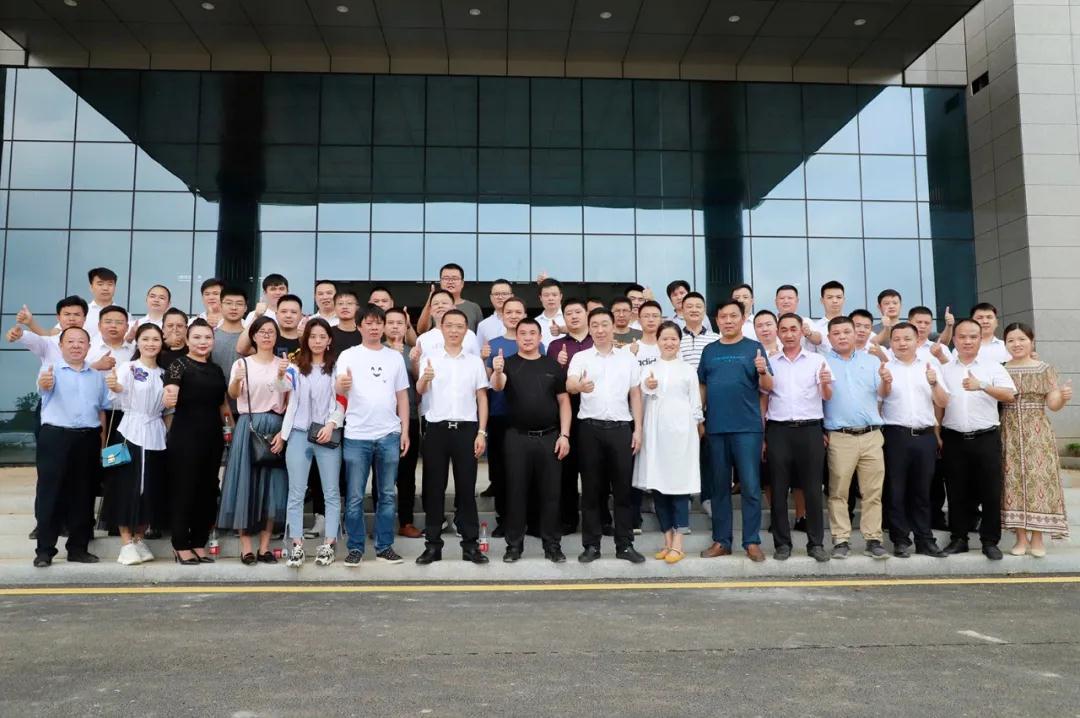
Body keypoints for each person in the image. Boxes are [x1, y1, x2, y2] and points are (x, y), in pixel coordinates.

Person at [567, 308, 645, 563]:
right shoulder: (581, 357)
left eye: (604, 325)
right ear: (589, 328)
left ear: (613, 327)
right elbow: (569, 384)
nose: (600, 330)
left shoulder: (628, 359)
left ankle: (625, 545)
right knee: (591, 490)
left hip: (621, 429)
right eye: (595, 325)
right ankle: (591, 545)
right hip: (589, 429)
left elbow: (635, 394)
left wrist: (638, 429)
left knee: (623, 490)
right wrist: (579, 386)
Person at [491, 317, 571, 563]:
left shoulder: (552, 365)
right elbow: (497, 387)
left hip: (549, 437)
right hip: (517, 437)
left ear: (540, 337)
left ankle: (552, 545)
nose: (527, 337)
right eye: (522, 333)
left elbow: (564, 401)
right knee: (516, 492)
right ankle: (514, 546)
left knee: (551, 493)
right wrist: (497, 371)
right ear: (516, 338)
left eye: (532, 333)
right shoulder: (508, 364)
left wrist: (565, 435)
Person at [335, 305, 410, 566]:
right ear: (359, 326)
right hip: (357, 434)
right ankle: (355, 547)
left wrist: (404, 430)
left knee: (387, 494)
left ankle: (384, 546)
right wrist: (341, 385)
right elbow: (338, 389)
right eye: (368, 323)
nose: (375, 327)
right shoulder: (348, 355)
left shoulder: (394, 358)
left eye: (379, 322)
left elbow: (402, 396)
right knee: (355, 495)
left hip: (389, 433)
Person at [414, 310, 490, 565]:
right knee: (434, 489)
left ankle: (470, 545)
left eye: (459, 326)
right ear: (442, 328)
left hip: (467, 430)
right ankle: (432, 545)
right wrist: (424, 379)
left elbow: (482, 397)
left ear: (466, 330)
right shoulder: (430, 358)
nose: (454, 330)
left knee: (467, 489)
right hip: (437, 429)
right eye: (450, 326)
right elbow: (420, 390)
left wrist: (481, 432)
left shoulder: (474, 362)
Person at [698, 300, 772, 562]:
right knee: (719, 488)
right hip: (716, 428)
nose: (728, 321)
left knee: (750, 486)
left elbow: (768, 386)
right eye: (723, 316)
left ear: (742, 319)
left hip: (747, 429)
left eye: (733, 316)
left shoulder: (754, 348)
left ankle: (751, 542)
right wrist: (699, 419)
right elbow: (703, 386)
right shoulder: (709, 350)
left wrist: (762, 371)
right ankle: (722, 541)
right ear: (717, 320)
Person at [32, 327, 111, 567]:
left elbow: (102, 410)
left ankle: (78, 548)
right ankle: (44, 550)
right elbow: (43, 387)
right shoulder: (50, 371)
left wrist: (102, 444)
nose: (76, 345)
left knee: (84, 494)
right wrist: (44, 383)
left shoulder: (97, 377)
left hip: (88, 438)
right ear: (61, 345)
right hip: (56, 437)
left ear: (88, 346)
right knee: (51, 493)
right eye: (71, 341)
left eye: (81, 342)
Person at [938, 318, 1017, 560]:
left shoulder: (993, 367)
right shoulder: (945, 369)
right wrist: (937, 433)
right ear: (954, 339)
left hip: (986, 437)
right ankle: (959, 538)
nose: (967, 341)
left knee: (990, 491)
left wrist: (981, 385)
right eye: (962, 336)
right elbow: (939, 404)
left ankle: (990, 541)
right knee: (956, 491)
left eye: (973, 336)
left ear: (980, 339)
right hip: (953, 438)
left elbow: (1009, 395)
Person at [218, 316, 291, 564]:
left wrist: (282, 374)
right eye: (262, 332)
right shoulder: (242, 364)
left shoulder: (284, 364)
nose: (267, 336)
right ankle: (246, 546)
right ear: (254, 336)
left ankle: (265, 547)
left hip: (276, 427)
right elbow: (233, 394)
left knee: (273, 487)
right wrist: (237, 379)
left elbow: (287, 398)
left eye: (271, 331)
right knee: (244, 484)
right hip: (249, 426)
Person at [632, 322, 703, 564]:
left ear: (679, 342)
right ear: (658, 341)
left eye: (674, 339)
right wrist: (648, 386)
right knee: (658, 487)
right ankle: (667, 540)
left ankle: (679, 544)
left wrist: (694, 430)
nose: (669, 343)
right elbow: (639, 399)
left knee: (679, 487)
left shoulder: (688, 370)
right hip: (655, 434)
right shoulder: (648, 369)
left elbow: (696, 404)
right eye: (665, 338)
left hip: (682, 434)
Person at [1000, 323, 1072, 556]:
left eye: (1021, 339)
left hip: (1037, 432)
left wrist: (1063, 397)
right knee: (1012, 482)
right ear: (1005, 344)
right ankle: (1020, 538)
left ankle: (1038, 538)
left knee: (1038, 479)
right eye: (1011, 340)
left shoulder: (1044, 369)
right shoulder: (1000, 369)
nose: (1017, 344)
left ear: (1032, 341)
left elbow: (1052, 404)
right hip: (1008, 431)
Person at [879, 322, 950, 558]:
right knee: (895, 490)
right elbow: (878, 402)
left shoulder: (930, 366)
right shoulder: (885, 367)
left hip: (924, 436)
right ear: (891, 342)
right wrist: (885, 382)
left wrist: (934, 383)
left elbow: (943, 402)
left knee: (922, 491)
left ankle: (925, 539)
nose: (901, 343)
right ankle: (900, 539)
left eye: (907, 338)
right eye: (896, 339)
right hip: (895, 436)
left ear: (917, 340)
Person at [764, 313, 831, 562]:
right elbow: (764, 397)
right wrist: (762, 435)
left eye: (794, 329)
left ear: (802, 332)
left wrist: (825, 384)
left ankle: (816, 543)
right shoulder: (771, 362)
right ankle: (782, 543)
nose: (789, 334)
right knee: (779, 489)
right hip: (778, 430)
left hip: (810, 429)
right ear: (778, 333)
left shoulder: (817, 360)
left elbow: (827, 396)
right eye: (784, 330)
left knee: (813, 489)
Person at [821, 317, 889, 559]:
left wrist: (887, 381)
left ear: (855, 334)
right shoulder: (822, 362)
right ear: (829, 337)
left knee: (873, 491)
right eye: (836, 333)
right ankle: (841, 540)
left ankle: (873, 539)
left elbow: (883, 393)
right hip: (840, 436)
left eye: (846, 332)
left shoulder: (871, 361)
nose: (842, 336)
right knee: (838, 491)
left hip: (871, 434)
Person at [163, 320, 230, 564]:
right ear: (187, 340)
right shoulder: (178, 365)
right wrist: (169, 395)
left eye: (207, 338)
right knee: (185, 489)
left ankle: (198, 542)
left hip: (212, 436)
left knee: (208, 490)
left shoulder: (216, 369)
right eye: (197, 337)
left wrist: (231, 429)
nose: (203, 342)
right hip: (185, 436)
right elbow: (170, 392)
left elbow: (223, 404)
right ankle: (180, 544)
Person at [103, 323, 168, 566]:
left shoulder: (164, 373)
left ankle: (140, 538)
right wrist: (115, 386)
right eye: (146, 339)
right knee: (125, 486)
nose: (151, 343)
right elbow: (118, 390)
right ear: (137, 342)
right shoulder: (128, 368)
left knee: (150, 487)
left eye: (155, 339)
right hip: (130, 432)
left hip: (156, 433)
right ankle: (126, 542)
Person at [281, 318, 343, 568]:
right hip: (298, 433)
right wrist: (280, 373)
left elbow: (342, 399)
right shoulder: (295, 367)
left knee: (331, 491)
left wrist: (332, 424)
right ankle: (296, 545)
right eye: (312, 336)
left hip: (327, 434)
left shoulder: (337, 367)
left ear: (329, 340)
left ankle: (329, 543)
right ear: (305, 339)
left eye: (322, 337)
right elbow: (279, 388)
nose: (317, 341)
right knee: (296, 492)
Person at [483, 296, 532, 534]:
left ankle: (530, 519)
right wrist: (485, 361)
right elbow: (486, 380)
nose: (513, 316)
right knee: (501, 470)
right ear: (501, 316)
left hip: (527, 416)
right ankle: (504, 519)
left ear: (525, 315)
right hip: (499, 414)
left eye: (518, 312)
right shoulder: (492, 344)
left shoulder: (535, 343)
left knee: (527, 470)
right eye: (509, 312)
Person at [546, 298, 594, 535]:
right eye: (569, 313)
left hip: (595, 408)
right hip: (566, 409)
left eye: (578, 312)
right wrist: (558, 365)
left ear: (586, 314)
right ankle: (568, 518)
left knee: (594, 467)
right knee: (567, 468)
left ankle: (599, 519)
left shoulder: (598, 340)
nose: (574, 316)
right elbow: (549, 380)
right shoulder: (556, 346)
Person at [385, 307, 422, 539]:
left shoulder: (412, 352)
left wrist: (414, 362)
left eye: (400, 323)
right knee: (383, 475)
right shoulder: (375, 350)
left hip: (410, 418)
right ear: (383, 326)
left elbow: (421, 383)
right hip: (382, 420)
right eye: (391, 322)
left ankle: (406, 521)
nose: (395, 326)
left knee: (407, 474)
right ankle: (384, 522)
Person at [8, 295, 88, 365]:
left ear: (84, 318)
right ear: (58, 317)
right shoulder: (50, 342)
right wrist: (21, 334)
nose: (71, 319)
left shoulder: (93, 342)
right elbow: (35, 340)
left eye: (77, 314)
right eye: (67, 314)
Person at [416, 263, 484, 332]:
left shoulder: (474, 308)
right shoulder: (435, 306)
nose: (450, 282)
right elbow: (421, 330)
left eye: (454, 278)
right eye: (446, 278)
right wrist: (431, 299)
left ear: (462, 283)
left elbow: (481, 334)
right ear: (440, 282)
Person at [414, 290, 481, 359]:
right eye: (436, 304)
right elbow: (418, 364)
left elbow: (477, 361)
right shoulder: (423, 339)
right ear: (430, 311)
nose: (440, 306)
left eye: (444, 303)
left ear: (454, 307)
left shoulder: (469, 335)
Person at [236, 294, 302, 358]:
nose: (288, 316)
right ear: (276, 315)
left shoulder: (306, 340)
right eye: (283, 311)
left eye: (294, 312)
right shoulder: (268, 337)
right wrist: (256, 316)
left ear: (301, 316)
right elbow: (241, 349)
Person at [811, 281, 846, 354]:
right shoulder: (815, 327)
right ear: (822, 300)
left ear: (844, 299)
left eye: (839, 297)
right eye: (830, 297)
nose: (835, 301)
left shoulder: (853, 325)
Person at [477, 279, 513, 347]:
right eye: (496, 294)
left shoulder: (521, 322)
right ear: (491, 297)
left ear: (512, 296)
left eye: (504, 294)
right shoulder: (483, 325)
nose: (500, 297)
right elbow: (479, 351)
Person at [535, 277, 566, 348]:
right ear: (540, 298)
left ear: (561, 296)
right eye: (546, 295)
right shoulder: (536, 322)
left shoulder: (569, 318)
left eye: (554, 295)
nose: (550, 298)